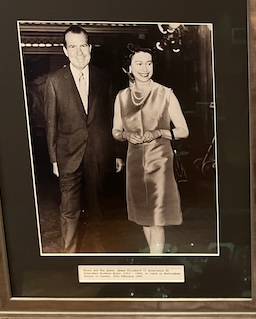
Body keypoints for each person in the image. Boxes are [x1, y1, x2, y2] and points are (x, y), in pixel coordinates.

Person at [44, 25, 121, 253]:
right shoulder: (54, 81)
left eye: (83, 46)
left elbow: (113, 119)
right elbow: (51, 124)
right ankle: (69, 255)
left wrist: (116, 153)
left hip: (99, 153)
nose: (79, 52)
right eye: (73, 47)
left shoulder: (104, 78)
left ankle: (101, 258)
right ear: (65, 51)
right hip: (68, 156)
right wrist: (54, 159)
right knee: (69, 210)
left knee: (99, 209)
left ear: (90, 48)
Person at [112, 45, 189, 254]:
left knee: (156, 219)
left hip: (160, 163)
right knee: (143, 219)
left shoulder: (165, 93)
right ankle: (155, 256)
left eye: (149, 63)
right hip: (135, 164)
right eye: (139, 63)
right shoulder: (121, 97)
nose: (145, 68)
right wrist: (126, 135)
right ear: (129, 67)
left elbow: (183, 131)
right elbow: (116, 131)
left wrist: (159, 132)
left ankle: (157, 261)